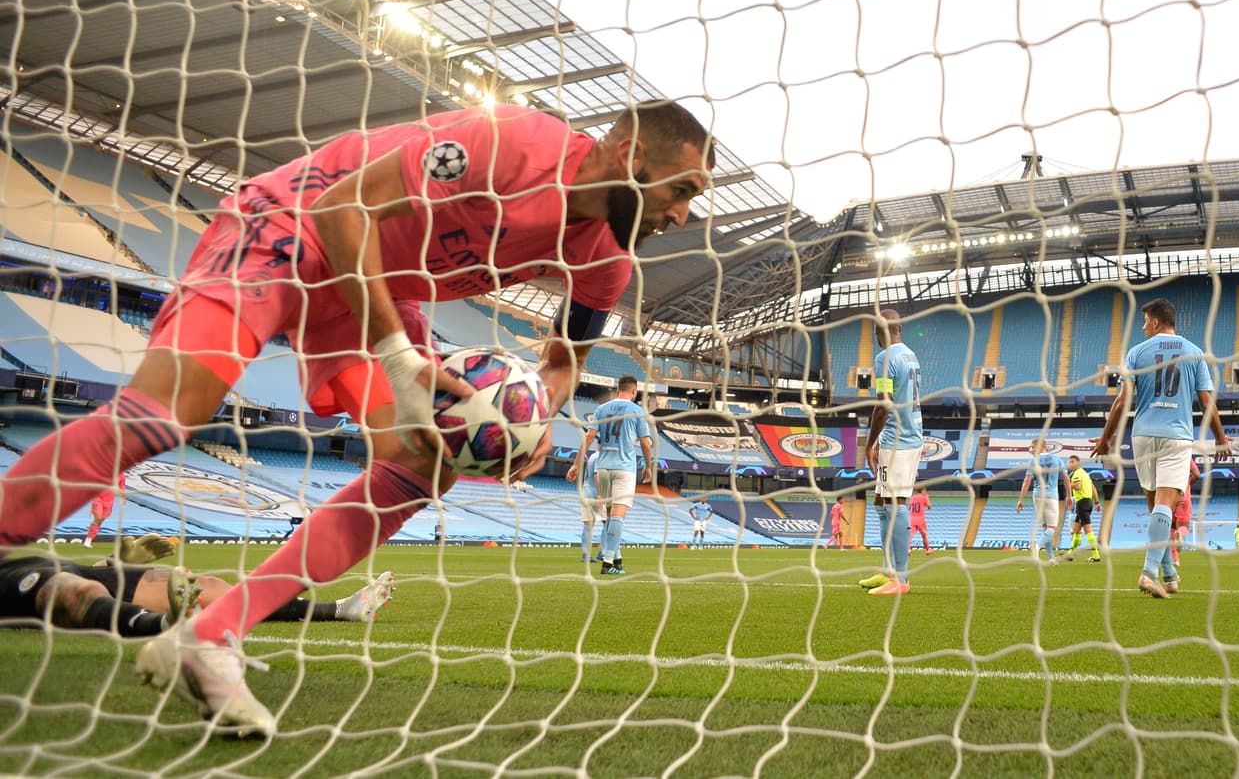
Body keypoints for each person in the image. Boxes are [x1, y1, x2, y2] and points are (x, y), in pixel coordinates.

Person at [0, 100, 713, 736]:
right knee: (167, 414)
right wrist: (399, 357)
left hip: (370, 286)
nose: (682, 215)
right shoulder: (506, 142)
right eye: (682, 190)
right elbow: (346, 207)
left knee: (418, 465)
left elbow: (563, 363)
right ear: (631, 153)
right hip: (291, 227)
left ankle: (209, 636)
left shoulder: (608, 261)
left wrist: (534, 417)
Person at [1092, 298, 1230, 598]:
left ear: (1156, 322)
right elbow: (1207, 401)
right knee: (1165, 505)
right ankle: (1148, 573)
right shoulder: (1194, 352)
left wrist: (1106, 438)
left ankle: (1169, 575)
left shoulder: (1136, 353)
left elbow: (1122, 401)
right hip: (1176, 436)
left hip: (1142, 435)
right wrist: (1220, 437)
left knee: (1156, 509)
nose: (1143, 328)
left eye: (1145, 322)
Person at [0, 555, 394, 635]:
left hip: (69, 563)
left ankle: (342, 608)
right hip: (17, 580)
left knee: (215, 590)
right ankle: (165, 625)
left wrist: (121, 558)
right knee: (73, 593)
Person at [859, 309, 922, 597]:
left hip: (899, 439)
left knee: (895, 504)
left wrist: (869, 443)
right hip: (903, 436)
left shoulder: (885, 358)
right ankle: (888, 571)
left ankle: (901, 578)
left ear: (880, 331)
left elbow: (882, 406)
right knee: (881, 503)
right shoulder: (910, 355)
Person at [574, 375, 655, 576]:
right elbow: (645, 443)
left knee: (610, 517)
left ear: (618, 389)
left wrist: (576, 464)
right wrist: (648, 466)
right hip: (624, 468)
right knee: (618, 517)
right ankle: (608, 562)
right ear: (634, 391)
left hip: (603, 469)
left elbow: (590, 437)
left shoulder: (602, 409)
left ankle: (617, 559)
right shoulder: (637, 411)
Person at [1016, 439, 1071, 565]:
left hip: (1037, 495)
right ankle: (1036, 546)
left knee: (1046, 528)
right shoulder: (1057, 459)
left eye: (1033, 447)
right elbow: (1066, 479)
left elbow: (1027, 481)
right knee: (1052, 528)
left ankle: (1052, 558)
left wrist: (1021, 499)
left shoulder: (1032, 461)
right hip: (1051, 495)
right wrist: (1069, 496)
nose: (1031, 450)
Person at [566, 450, 604, 561]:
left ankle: (586, 555)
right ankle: (603, 552)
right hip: (595, 495)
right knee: (609, 523)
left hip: (586, 492)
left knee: (588, 526)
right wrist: (601, 494)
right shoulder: (600, 457)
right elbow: (597, 475)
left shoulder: (592, 456)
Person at [1063, 455, 1102, 562]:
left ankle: (1096, 555)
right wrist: (1097, 502)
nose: (1070, 463)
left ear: (1078, 463)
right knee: (1076, 530)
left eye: (1072, 461)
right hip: (1088, 502)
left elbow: (1078, 486)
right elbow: (1093, 487)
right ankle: (1070, 554)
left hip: (1082, 503)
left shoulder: (1077, 474)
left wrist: (1068, 483)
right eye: (1069, 462)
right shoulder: (1085, 474)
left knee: (1088, 530)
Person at [77, 473, 125, 549]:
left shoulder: (121, 475)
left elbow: (122, 487)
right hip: (98, 498)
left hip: (109, 501)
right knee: (98, 518)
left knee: (99, 522)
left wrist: (123, 498)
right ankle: (88, 541)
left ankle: (90, 538)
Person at [1170, 457, 1199, 566]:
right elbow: (1197, 474)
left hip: (1169, 498)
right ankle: (1180, 533)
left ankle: (1175, 559)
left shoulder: (1167, 456)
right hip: (1184, 497)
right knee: (1183, 527)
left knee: (1171, 529)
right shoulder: (1186, 456)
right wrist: (1189, 484)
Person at [908, 486, 932, 555]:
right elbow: (929, 506)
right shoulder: (924, 497)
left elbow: (910, 508)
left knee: (910, 535)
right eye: (925, 490)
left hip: (912, 519)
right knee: (924, 535)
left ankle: (908, 550)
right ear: (922, 491)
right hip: (920, 519)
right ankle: (928, 549)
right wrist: (927, 498)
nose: (925, 492)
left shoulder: (912, 498)